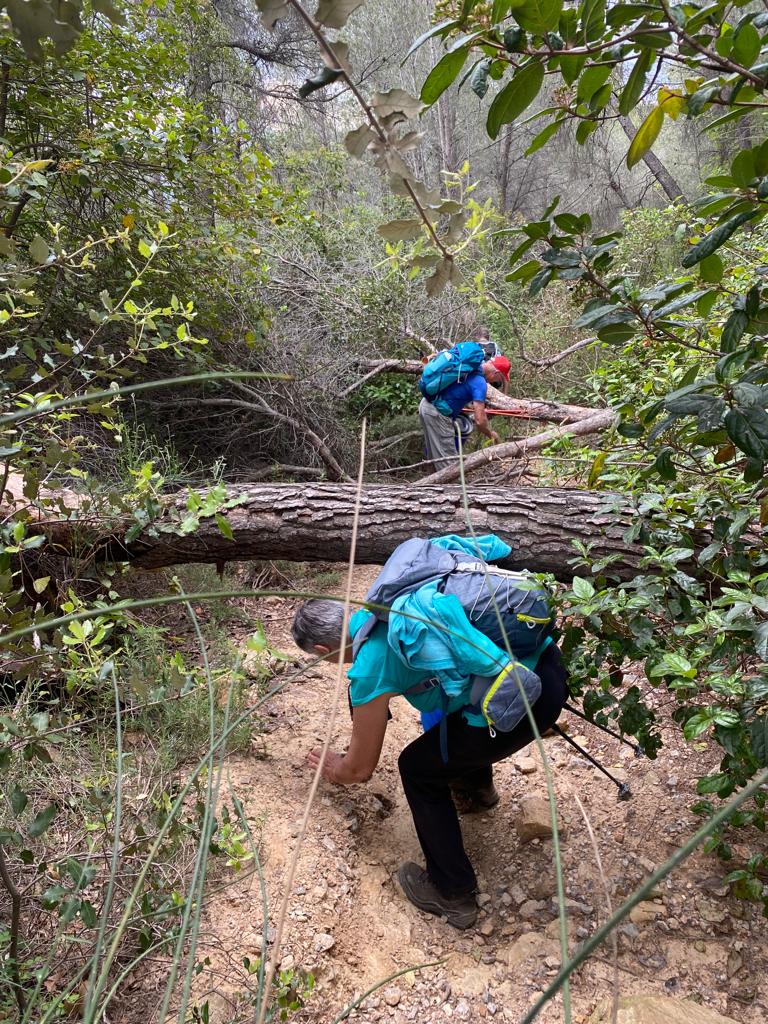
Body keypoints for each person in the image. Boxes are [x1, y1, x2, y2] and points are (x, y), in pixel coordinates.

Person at [290, 581, 569, 930]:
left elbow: (360, 769)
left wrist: (336, 769)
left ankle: (452, 892)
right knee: (454, 725)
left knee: (416, 769)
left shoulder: (369, 667)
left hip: (520, 703)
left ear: (322, 648)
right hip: (545, 668)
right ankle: (477, 792)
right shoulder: (390, 602)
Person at [418, 336, 511, 469]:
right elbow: (480, 420)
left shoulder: (470, 367)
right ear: (496, 373)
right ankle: (453, 489)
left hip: (426, 405)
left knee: (435, 458)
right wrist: (491, 434)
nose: (495, 383)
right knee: (450, 467)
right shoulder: (480, 383)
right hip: (437, 413)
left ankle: (431, 486)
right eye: (498, 380)